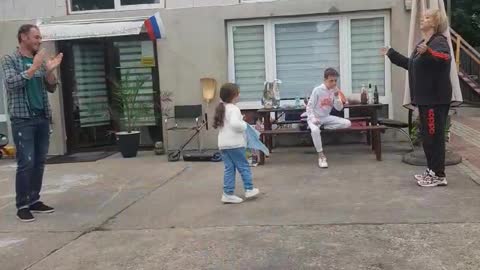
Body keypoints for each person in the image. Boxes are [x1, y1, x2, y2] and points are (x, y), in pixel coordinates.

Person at [382, 9, 451, 187]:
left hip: (435, 100)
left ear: (435, 22)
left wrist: (429, 52)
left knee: (434, 137)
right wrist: (392, 54)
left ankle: (439, 175)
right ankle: (432, 170)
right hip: (425, 100)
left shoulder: (439, 41)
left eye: (427, 17)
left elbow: (444, 58)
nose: (422, 19)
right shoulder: (422, 43)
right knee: (428, 137)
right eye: (422, 17)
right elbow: (411, 65)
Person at [1, 24, 63, 221]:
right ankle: (22, 205)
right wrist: (35, 66)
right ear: (23, 37)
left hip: (41, 117)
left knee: (39, 161)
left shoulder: (40, 60)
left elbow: (51, 87)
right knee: (26, 162)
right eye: (36, 37)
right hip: (23, 119)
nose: (39, 41)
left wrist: (50, 70)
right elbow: (11, 84)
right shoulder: (9, 60)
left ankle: (34, 200)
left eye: (40, 37)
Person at [213, 83, 260, 204]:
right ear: (233, 96)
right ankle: (249, 189)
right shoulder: (234, 109)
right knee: (243, 166)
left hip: (223, 144)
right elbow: (235, 124)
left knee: (229, 168)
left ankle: (227, 193)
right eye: (238, 93)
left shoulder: (222, 108)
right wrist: (244, 124)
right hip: (235, 144)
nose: (239, 95)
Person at [306, 68, 351, 168]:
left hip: (326, 117)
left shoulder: (334, 91)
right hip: (314, 117)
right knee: (315, 131)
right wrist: (313, 119)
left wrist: (336, 96)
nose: (334, 83)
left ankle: (324, 127)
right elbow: (309, 107)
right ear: (325, 80)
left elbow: (339, 109)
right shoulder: (317, 90)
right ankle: (321, 156)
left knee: (347, 123)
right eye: (331, 81)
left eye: (335, 81)